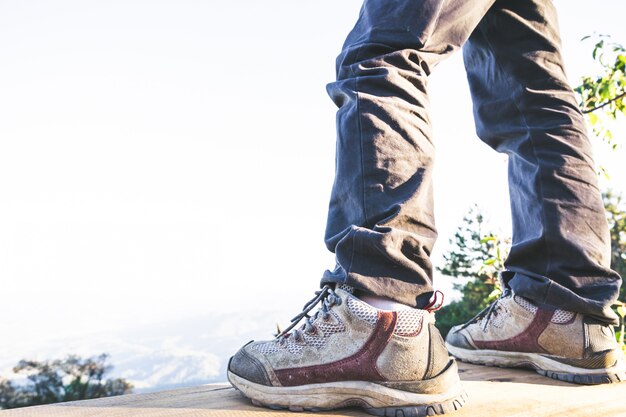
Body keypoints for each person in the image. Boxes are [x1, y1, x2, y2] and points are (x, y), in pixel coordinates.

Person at [227, 0, 626, 414]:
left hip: (384, 322)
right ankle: (559, 311)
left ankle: (381, 315)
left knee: (383, 50)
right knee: (531, 87)